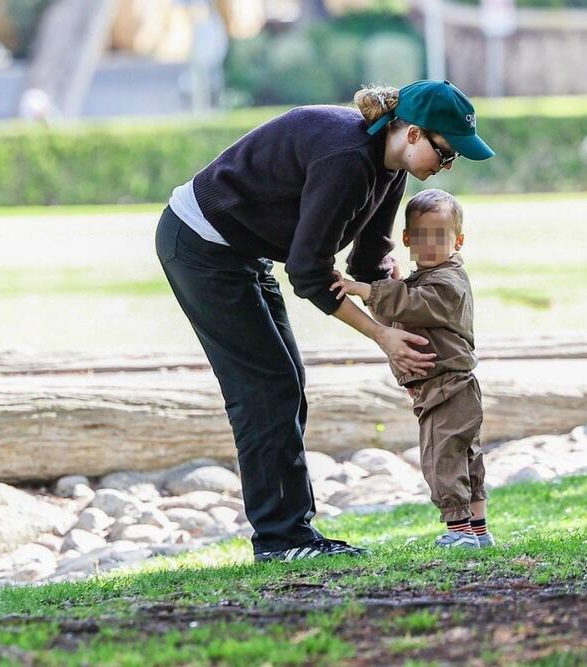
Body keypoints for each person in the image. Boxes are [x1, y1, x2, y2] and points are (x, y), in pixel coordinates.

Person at [154, 80, 494, 563]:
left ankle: (294, 533)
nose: (446, 167)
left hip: (242, 251)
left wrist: (409, 326)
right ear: (414, 133)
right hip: (200, 245)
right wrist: (381, 336)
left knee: (286, 380)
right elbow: (310, 274)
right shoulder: (348, 158)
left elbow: (368, 263)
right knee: (266, 387)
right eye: (446, 154)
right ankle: (281, 540)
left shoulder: (390, 167)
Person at [330, 189, 491, 549]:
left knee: (444, 457)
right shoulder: (429, 278)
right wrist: (394, 285)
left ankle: (461, 532)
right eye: (421, 236)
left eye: (440, 237)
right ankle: (479, 533)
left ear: (458, 240)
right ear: (406, 239)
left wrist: (364, 289)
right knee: (463, 455)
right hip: (445, 388)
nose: (430, 244)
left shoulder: (448, 283)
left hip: (449, 389)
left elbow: (413, 304)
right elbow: (401, 309)